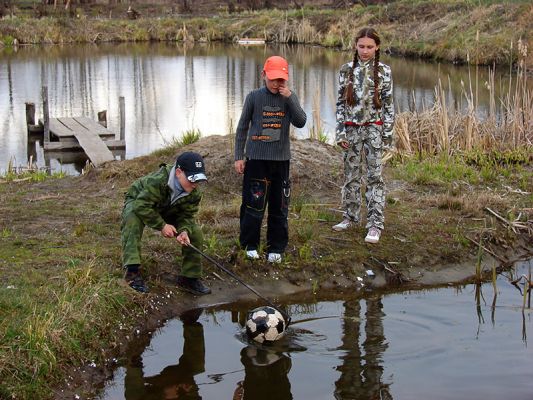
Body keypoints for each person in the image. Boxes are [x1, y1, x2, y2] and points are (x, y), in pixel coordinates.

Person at [234, 55, 307, 263]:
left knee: (279, 205)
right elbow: (242, 128)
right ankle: (249, 245)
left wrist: (290, 98)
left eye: (281, 80)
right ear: (263, 75)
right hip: (256, 160)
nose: (277, 84)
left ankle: (276, 247)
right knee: (253, 203)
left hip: (281, 161)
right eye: (273, 79)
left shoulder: (288, 99)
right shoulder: (253, 97)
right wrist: (239, 156)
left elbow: (301, 122)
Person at [332, 27, 395, 244]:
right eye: (361, 46)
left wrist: (387, 136)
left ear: (377, 47)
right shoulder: (345, 70)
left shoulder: (384, 71)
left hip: (374, 130)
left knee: (374, 177)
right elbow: (340, 103)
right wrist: (340, 131)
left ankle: (375, 224)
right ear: (355, 46)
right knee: (351, 175)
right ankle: (350, 216)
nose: (365, 51)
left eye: (369, 47)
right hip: (351, 130)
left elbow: (388, 106)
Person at [121, 151, 211, 295]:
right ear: (178, 172)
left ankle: (190, 278)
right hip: (139, 200)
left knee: (195, 232)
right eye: (192, 179)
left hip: (168, 206)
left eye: (198, 180)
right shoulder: (158, 181)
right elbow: (141, 206)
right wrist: (162, 226)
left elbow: (186, 215)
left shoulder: (194, 193)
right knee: (132, 220)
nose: (195, 184)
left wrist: (184, 231)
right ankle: (132, 273)